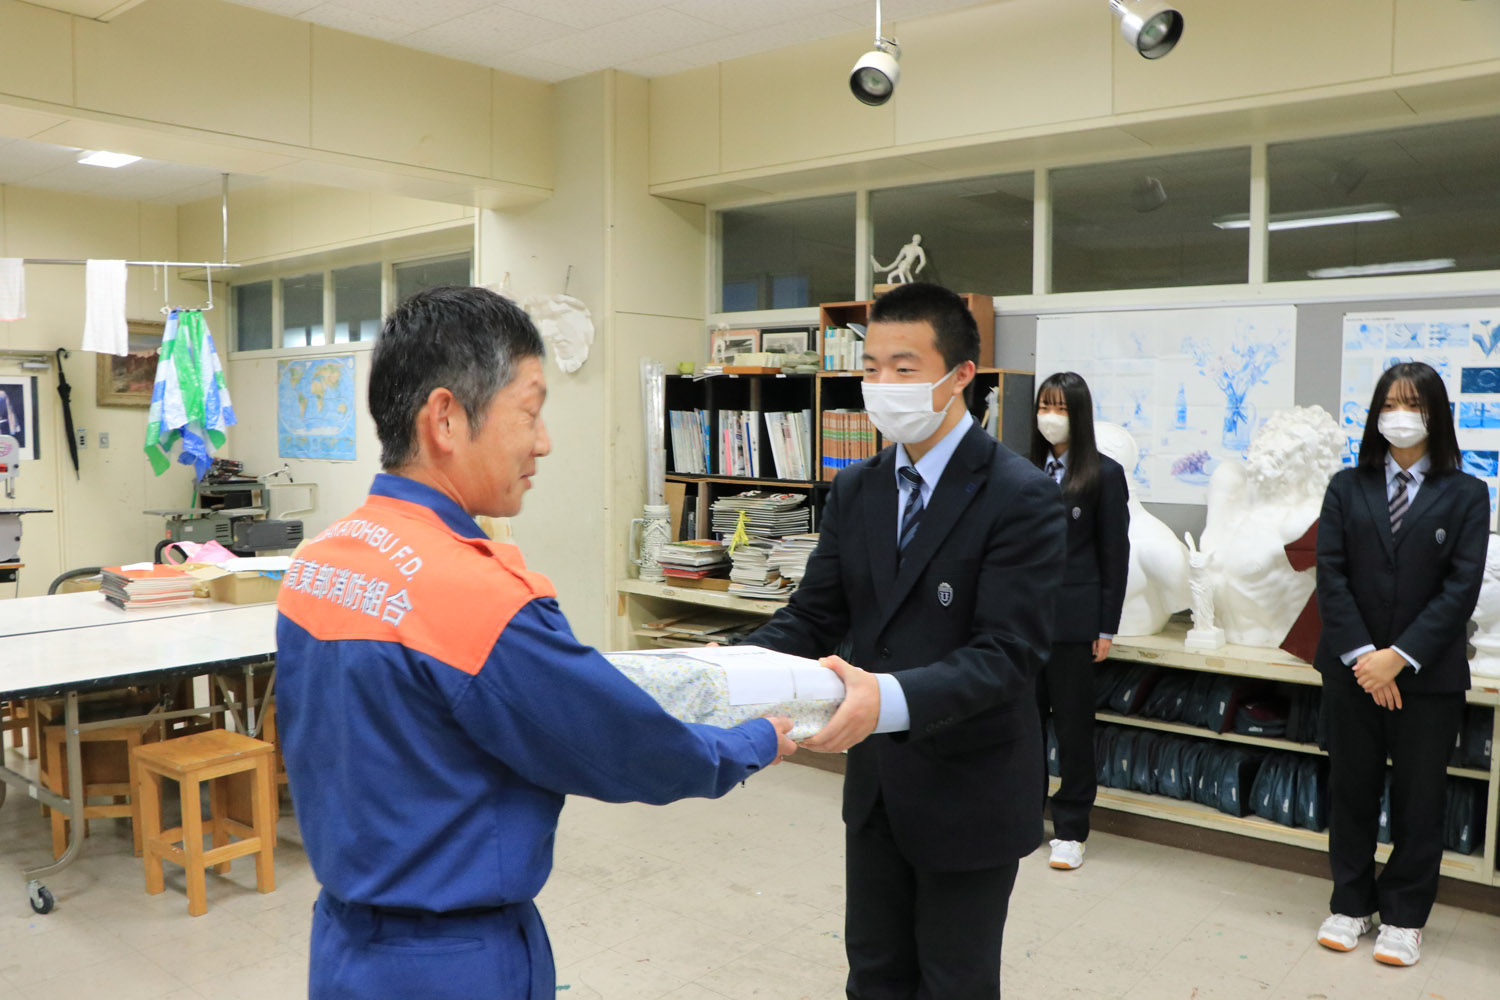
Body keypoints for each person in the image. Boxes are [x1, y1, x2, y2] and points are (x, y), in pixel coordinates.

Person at [274, 286, 796, 1000]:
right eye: (531, 410)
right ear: (446, 419)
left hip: (342, 946)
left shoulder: (321, 561)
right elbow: (626, 749)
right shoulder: (478, 596)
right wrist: (759, 739)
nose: (544, 440)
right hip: (453, 964)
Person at [738, 282, 1066, 1000]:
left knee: (954, 983)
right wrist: (733, 667)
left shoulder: (1021, 496)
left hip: (970, 790)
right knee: (875, 975)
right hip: (879, 790)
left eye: (905, 368)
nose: (882, 386)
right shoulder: (858, 489)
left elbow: (1007, 654)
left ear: (960, 378)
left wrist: (883, 699)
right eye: (873, 366)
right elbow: (813, 617)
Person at [1313, 361, 1488, 968]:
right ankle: (1350, 902)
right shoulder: (1346, 486)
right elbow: (1330, 576)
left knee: (1420, 797)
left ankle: (1406, 915)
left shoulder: (1468, 493)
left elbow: (1460, 588)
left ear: (1436, 414)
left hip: (1427, 675)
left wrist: (1398, 658)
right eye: (1390, 402)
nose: (1400, 413)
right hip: (1352, 671)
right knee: (1351, 789)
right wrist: (1366, 658)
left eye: (1412, 403)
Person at [1029, 372, 1129, 871]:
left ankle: (1071, 828)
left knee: (1071, 729)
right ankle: (1024, 816)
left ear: (1080, 414)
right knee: (1022, 727)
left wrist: (1105, 626)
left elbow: (1115, 554)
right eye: (1044, 405)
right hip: (1020, 624)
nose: (1050, 416)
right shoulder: (1021, 468)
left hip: (1074, 624)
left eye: (1061, 407)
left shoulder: (1104, 475)